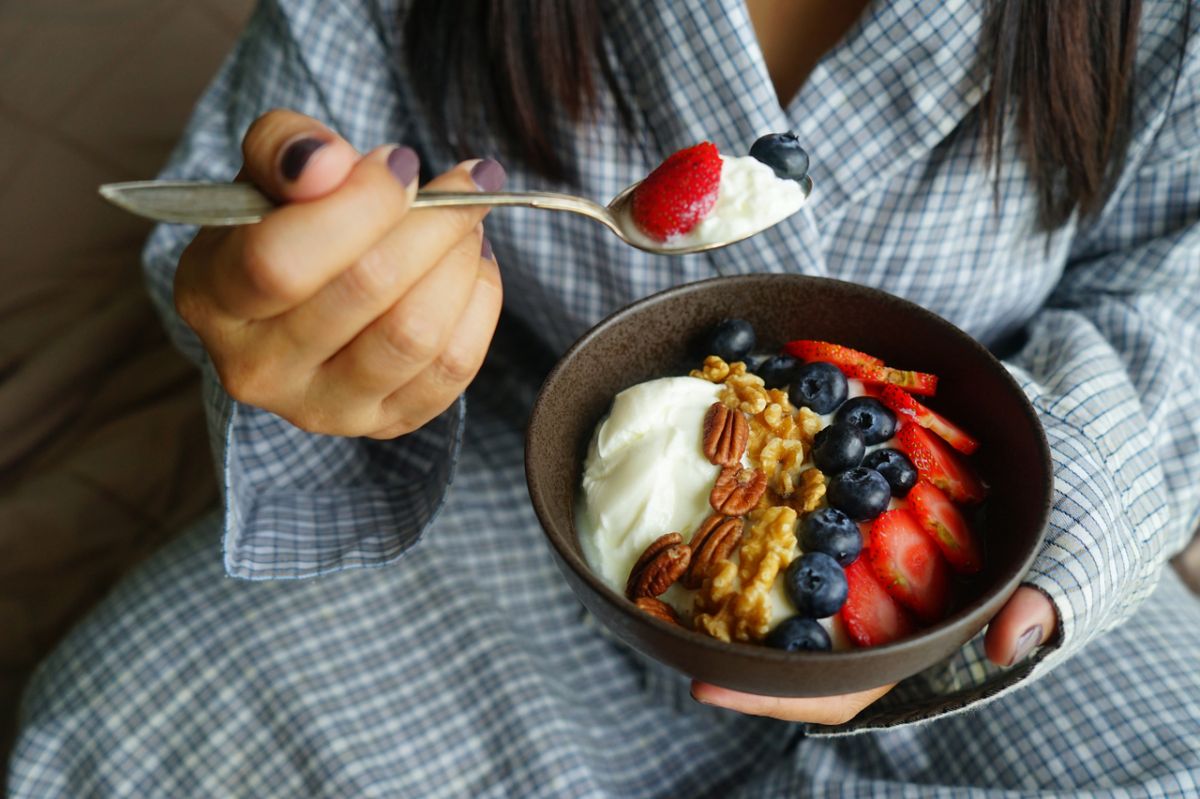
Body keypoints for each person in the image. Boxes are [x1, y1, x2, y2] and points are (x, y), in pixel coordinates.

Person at [9, 0, 1200, 795]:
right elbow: (252, 214)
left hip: (995, 530)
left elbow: (1175, 288)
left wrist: (1067, 495)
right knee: (125, 723)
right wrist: (313, 316)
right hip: (534, 466)